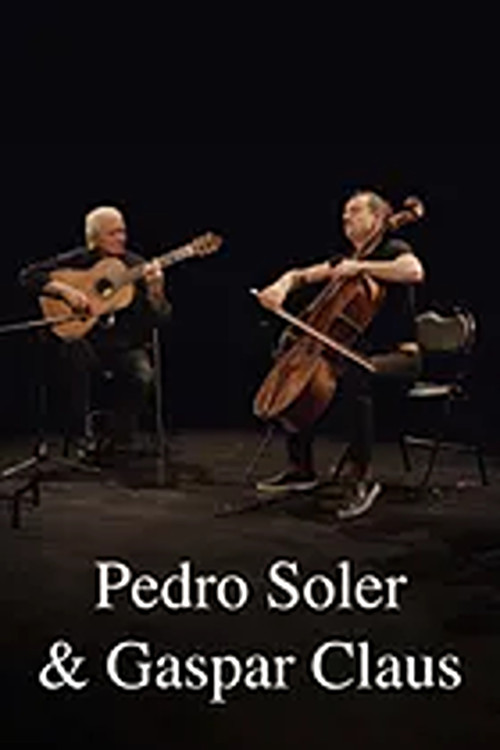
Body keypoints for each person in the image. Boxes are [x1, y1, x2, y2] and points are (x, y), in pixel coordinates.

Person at [254, 190, 425, 518]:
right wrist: (280, 287)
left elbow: (413, 271)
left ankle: (359, 478)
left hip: (400, 357)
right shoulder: (342, 261)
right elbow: (299, 275)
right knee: (292, 352)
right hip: (353, 353)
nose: (346, 216)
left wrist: (360, 267)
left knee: (356, 372)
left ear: (377, 218)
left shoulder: (394, 249)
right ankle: (301, 468)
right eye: (345, 211)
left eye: (355, 210)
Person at [19, 205, 171, 459]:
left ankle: (116, 437)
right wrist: (65, 291)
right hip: (85, 342)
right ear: (94, 238)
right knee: (73, 353)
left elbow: (161, 319)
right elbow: (28, 276)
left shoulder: (136, 266)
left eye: (123, 231)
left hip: (122, 346)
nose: (121, 238)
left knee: (142, 374)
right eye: (113, 233)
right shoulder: (80, 259)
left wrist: (156, 292)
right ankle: (80, 436)